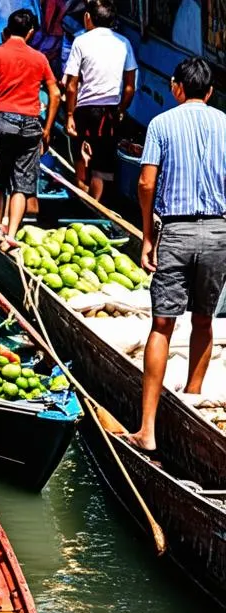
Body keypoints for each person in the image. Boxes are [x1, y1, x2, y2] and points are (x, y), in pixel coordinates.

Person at [128, 57, 226, 458]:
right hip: (219, 230)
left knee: (163, 325)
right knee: (204, 320)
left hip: (178, 229)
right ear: (211, 92)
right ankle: (192, 399)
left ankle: (147, 429)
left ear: (175, 87)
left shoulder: (161, 125)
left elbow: (146, 181)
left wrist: (149, 235)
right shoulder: (225, 123)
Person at [0, 9, 61, 249]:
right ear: (31, 33)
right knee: (22, 185)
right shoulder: (40, 58)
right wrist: (47, 129)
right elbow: (55, 94)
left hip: (3, 121)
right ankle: (11, 234)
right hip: (31, 124)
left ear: (6, 31)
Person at [63, 0, 137, 202]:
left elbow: (71, 85)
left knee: (80, 157)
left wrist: (69, 114)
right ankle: (97, 204)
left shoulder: (81, 41)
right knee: (102, 165)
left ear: (88, 18)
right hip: (109, 110)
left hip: (84, 110)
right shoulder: (124, 43)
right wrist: (121, 109)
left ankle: (81, 196)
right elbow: (130, 86)